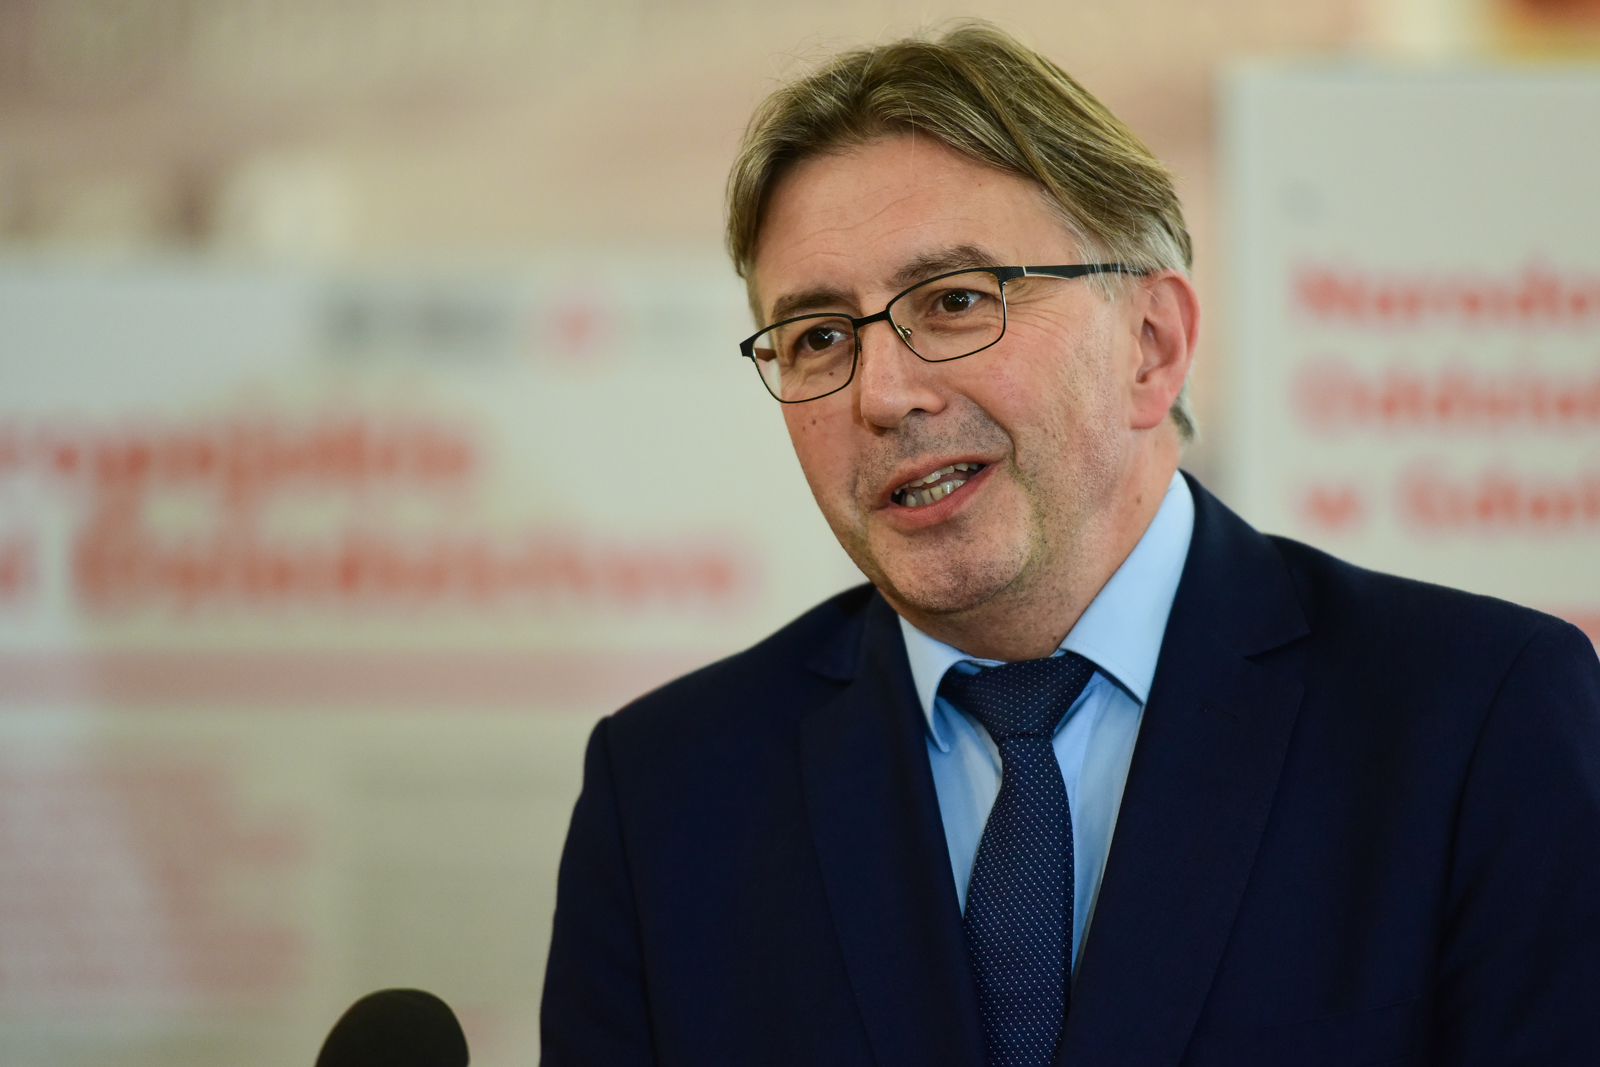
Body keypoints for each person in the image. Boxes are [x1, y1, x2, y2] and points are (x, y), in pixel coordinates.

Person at [540, 22, 1600, 1067]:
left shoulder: (1476, 718)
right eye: (818, 336)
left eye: (955, 302)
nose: (883, 395)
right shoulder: (667, 796)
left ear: (1152, 345)